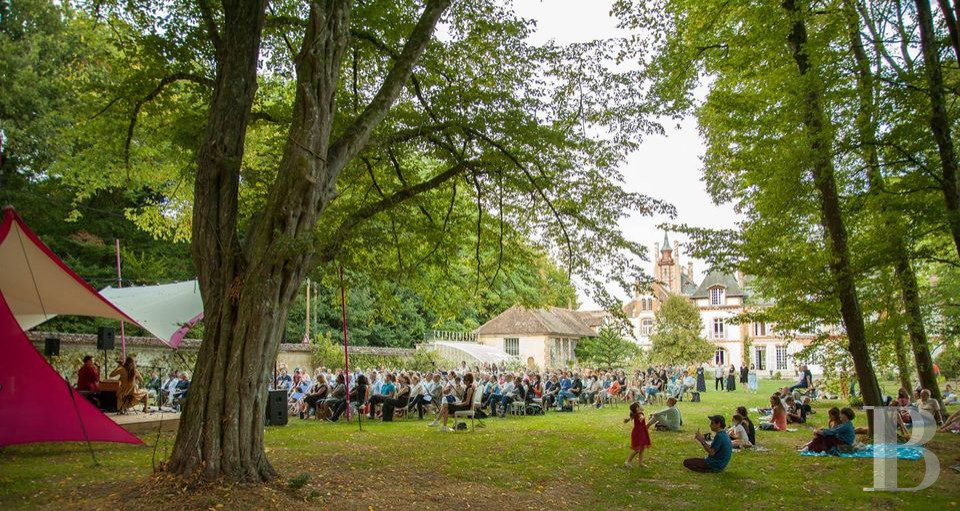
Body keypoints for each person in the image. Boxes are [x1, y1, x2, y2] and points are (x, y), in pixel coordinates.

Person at [624, 402, 651, 468]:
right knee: (637, 449)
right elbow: (641, 416)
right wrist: (642, 417)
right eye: (640, 405)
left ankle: (640, 463)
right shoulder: (639, 414)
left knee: (642, 448)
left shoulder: (635, 414)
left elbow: (633, 417)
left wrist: (628, 419)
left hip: (641, 432)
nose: (642, 405)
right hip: (638, 433)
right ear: (637, 408)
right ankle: (628, 461)